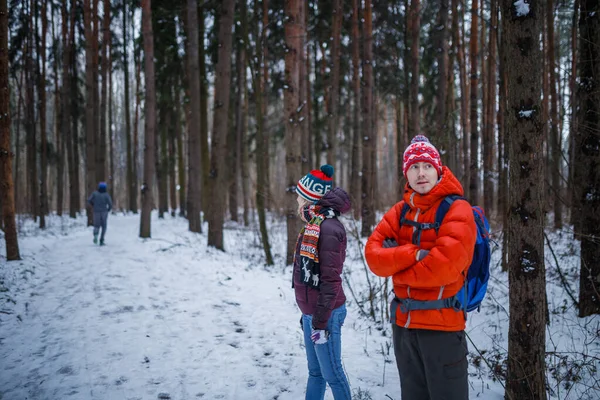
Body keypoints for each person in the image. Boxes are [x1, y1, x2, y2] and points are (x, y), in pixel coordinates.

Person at [365, 135, 477, 400]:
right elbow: (373, 256)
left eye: (427, 165)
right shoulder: (399, 211)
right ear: (407, 173)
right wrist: (413, 254)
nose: (421, 173)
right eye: (414, 167)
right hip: (404, 326)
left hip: (443, 328)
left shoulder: (458, 210)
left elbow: (445, 267)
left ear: (438, 169)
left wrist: (396, 265)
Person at [293, 164, 352, 400]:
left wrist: (318, 320)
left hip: (325, 314)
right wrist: (307, 314)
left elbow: (331, 280)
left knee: (333, 375)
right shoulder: (314, 225)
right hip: (312, 314)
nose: (296, 201)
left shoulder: (328, 228)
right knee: (315, 373)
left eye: (299, 196)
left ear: (309, 200)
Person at [87, 181, 113, 246]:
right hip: (104, 212)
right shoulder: (106, 195)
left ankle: (95, 235)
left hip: (96, 211)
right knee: (104, 226)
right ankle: (101, 240)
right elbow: (110, 204)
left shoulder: (94, 194)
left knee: (96, 225)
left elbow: (89, 200)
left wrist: (92, 205)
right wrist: (108, 209)